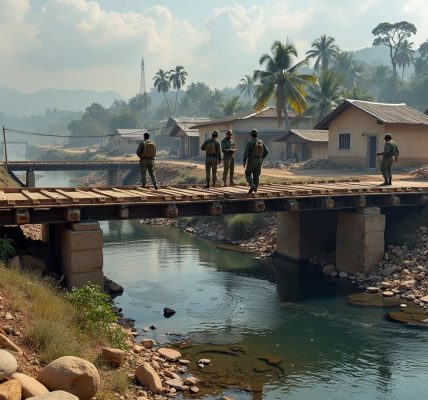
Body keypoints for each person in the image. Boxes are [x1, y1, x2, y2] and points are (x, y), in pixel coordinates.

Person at [243, 129, 268, 193]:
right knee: (256, 176)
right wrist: (261, 158)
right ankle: (255, 188)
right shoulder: (261, 142)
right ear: (257, 135)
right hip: (259, 161)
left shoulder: (249, 143)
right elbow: (266, 151)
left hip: (252, 161)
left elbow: (246, 153)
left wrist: (244, 161)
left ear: (251, 135)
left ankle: (252, 185)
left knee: (247, 173)